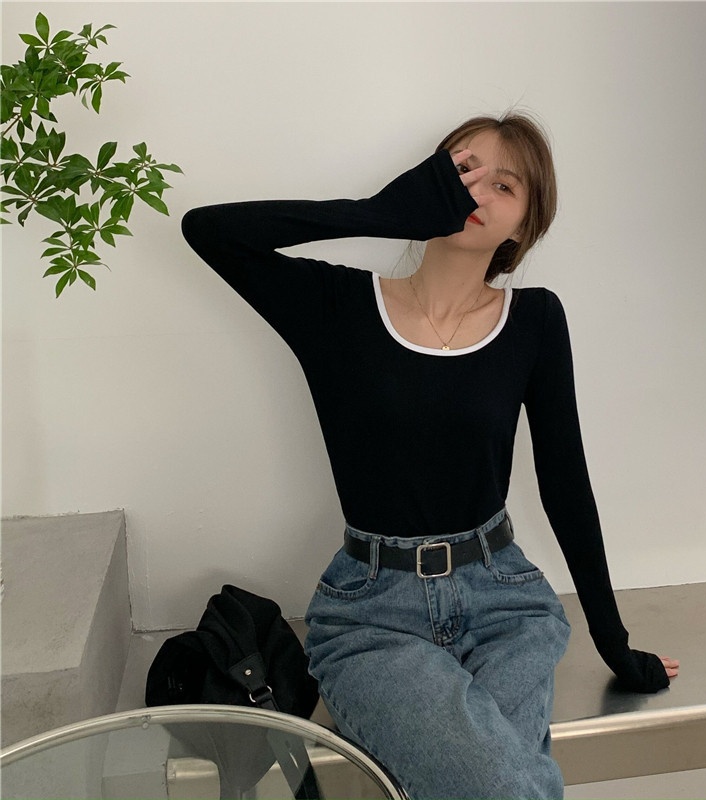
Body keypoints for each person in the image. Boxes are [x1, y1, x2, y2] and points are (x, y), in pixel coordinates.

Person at [181, 111, 680, 800]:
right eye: (463, 170)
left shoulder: (535, 320)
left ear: (523, 227)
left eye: (505, 185)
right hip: (371, 615)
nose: (476, 192)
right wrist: (379, 213)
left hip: (506, 602)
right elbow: (208, 230)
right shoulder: (337, 307)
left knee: (498, 786)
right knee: (507, 787)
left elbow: (565, 481)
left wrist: (613, 643)